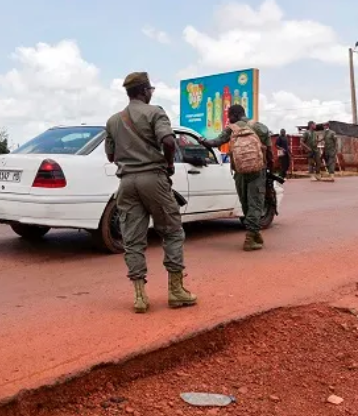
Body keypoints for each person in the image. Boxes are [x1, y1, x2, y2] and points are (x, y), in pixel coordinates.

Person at [105, 72, 197, 313]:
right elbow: (168, 141)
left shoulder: (114, 120)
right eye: (150, 90)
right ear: (145, 91)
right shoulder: (155, 112)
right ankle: (176, 291)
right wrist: (168, 164)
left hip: (126, 182)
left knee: (133, 239)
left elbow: (110, 155)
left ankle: (140, 297)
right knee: (173, 231)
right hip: (153, 179)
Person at [198, 105, 273, 251]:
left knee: (245, 202)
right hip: (258, 171)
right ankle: (252, 236)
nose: (228, 118)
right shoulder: (260, 128)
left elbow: (215, 142)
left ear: (235, 115)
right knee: (256, 203)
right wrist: (270, 169)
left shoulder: (231, 129)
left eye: (229, 115)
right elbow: (269, 152)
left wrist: (202, 141)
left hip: (239, 171)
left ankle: (253, 234)